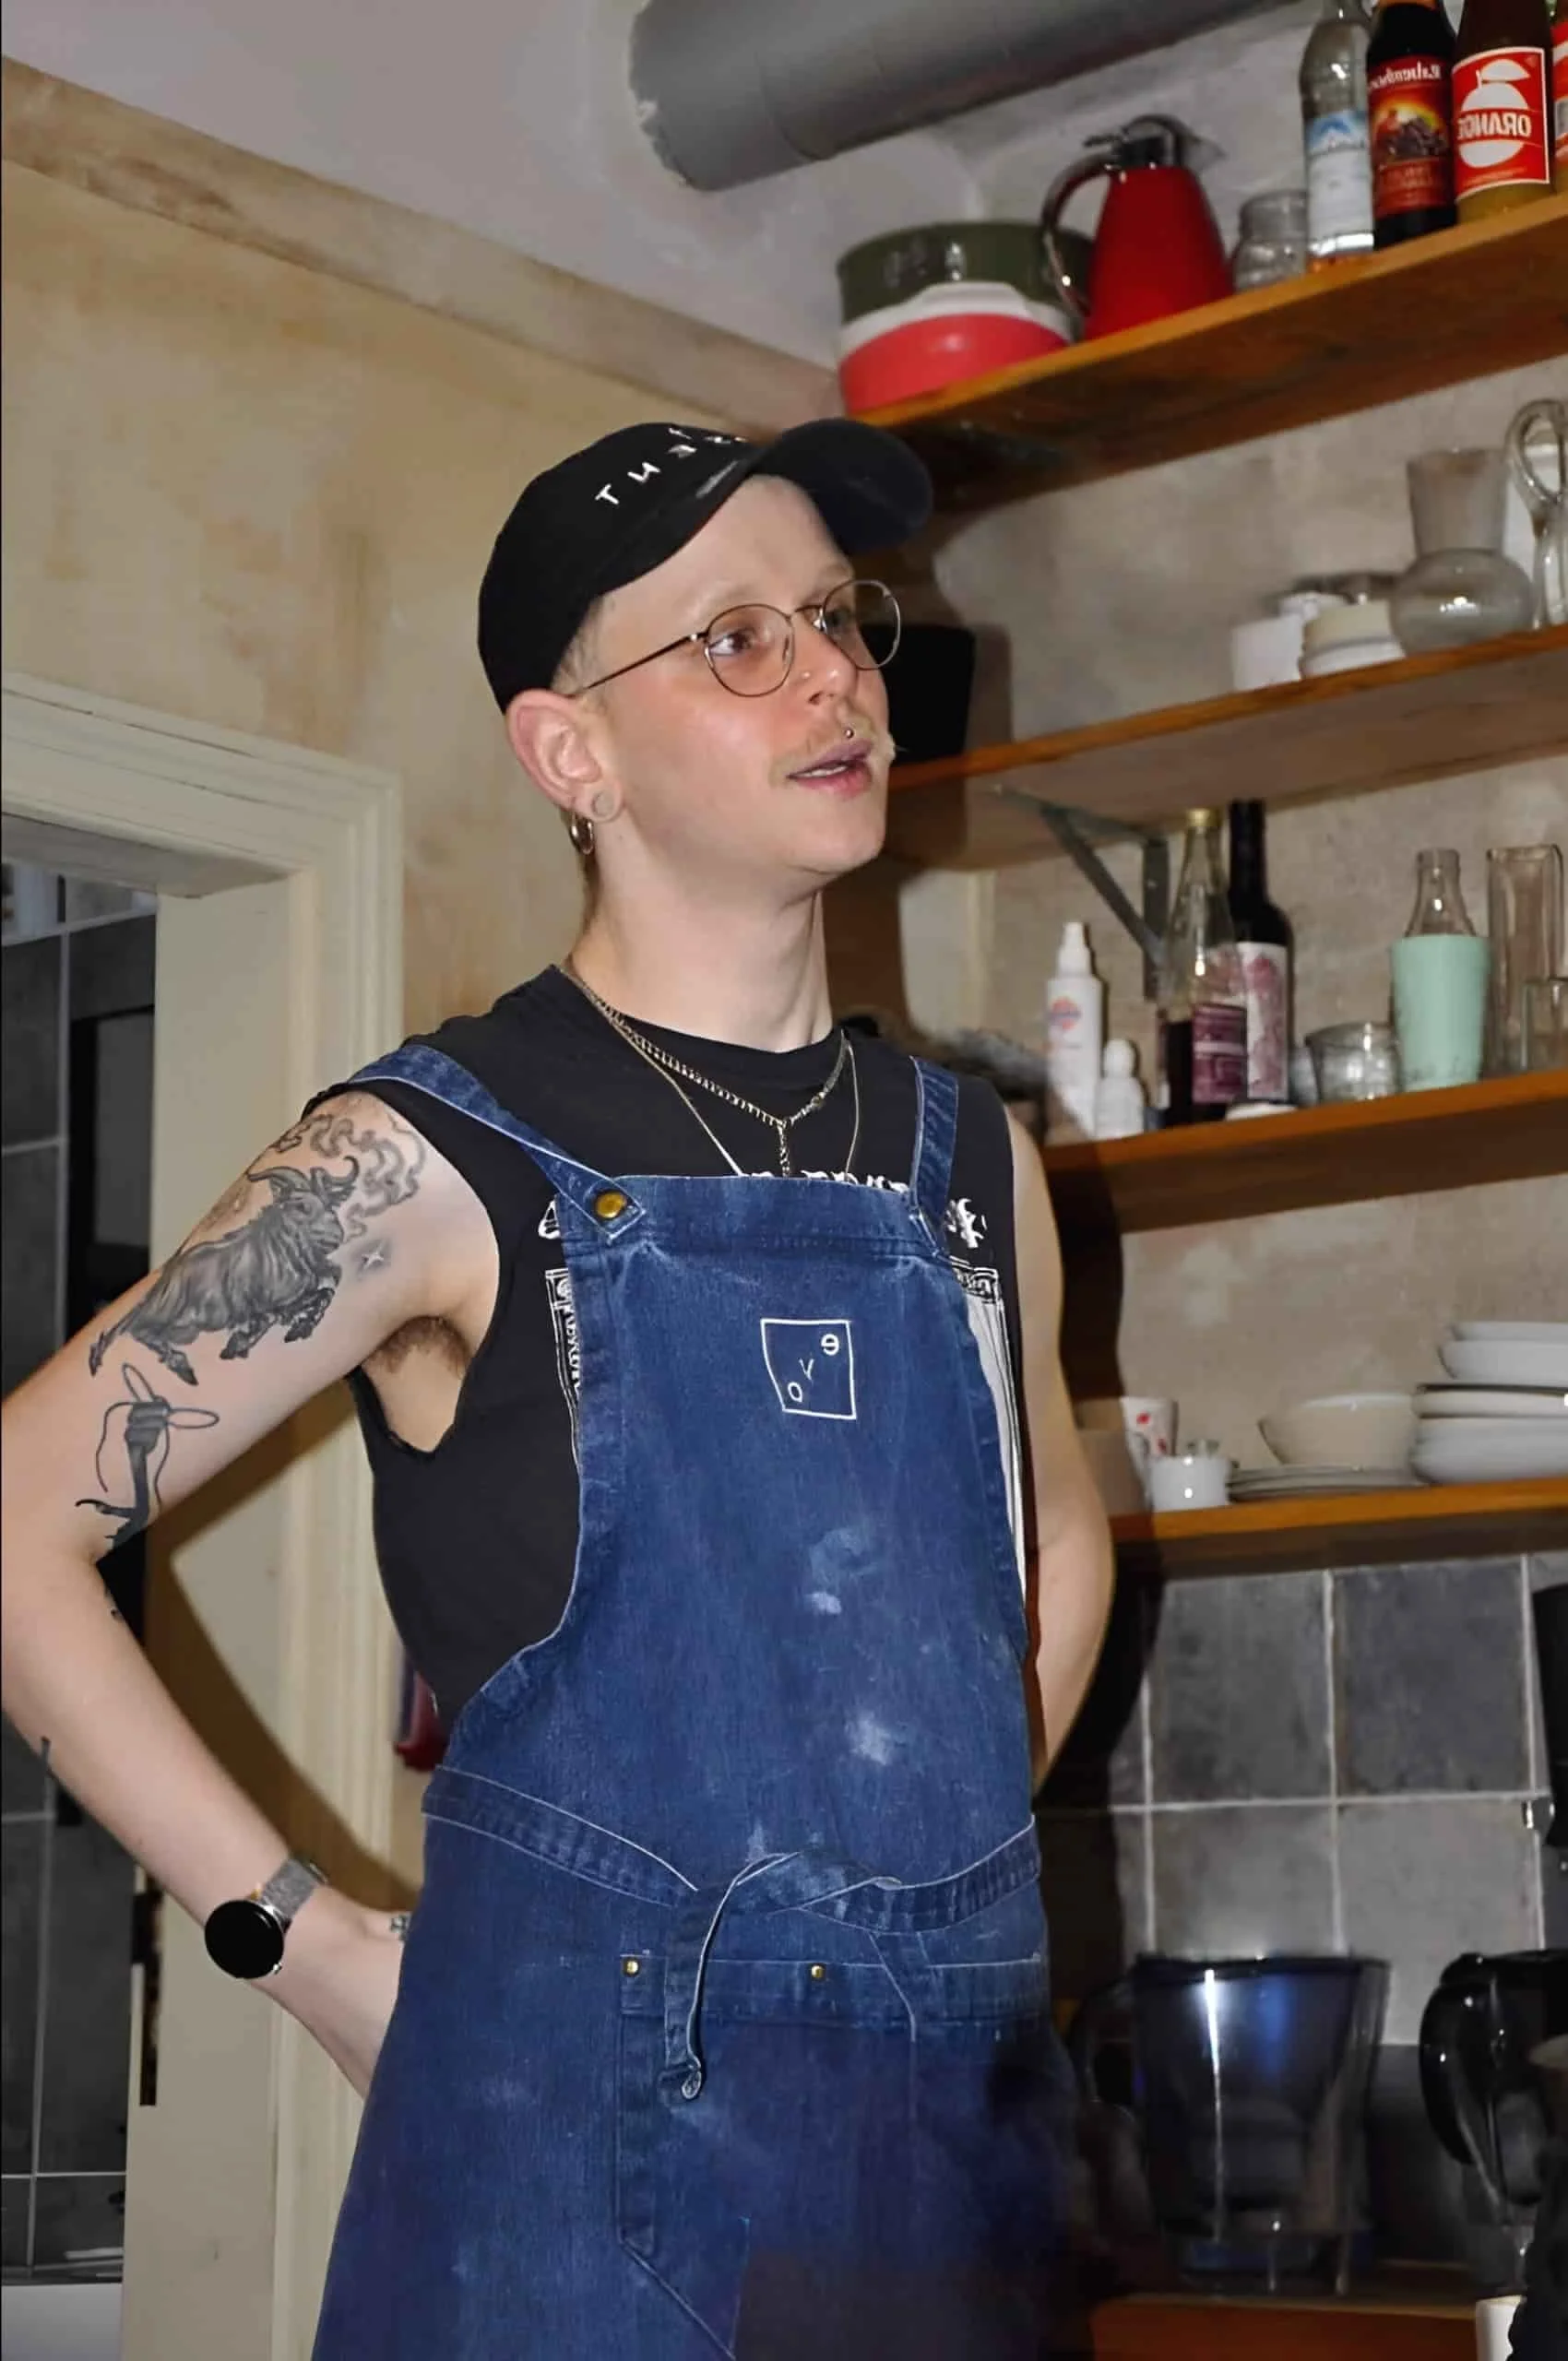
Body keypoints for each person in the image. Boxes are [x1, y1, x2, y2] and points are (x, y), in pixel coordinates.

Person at [1, 415, 1114, 2357]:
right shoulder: (425, 1161)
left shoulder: (968, 1156)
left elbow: (1060, 1540)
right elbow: (20, 1524)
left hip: (949, 2166)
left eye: (839, 621)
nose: (839, 672)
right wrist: (305, 1938)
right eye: (736, 638)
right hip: (568, 2186)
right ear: (568, 750)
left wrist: (896, 1898)